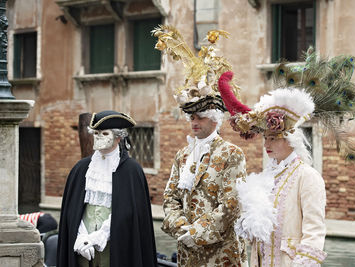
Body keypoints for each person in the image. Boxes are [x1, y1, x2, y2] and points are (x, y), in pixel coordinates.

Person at [218, 49, 355, 266]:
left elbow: (314, 233)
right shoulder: (267, 178)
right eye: (265, 138)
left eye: (273, 138)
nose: (266, 144)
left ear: (291, 140)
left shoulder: (308, 177)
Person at [153, 25, 248, 266]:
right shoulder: (183, 155)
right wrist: (182, 229)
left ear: (215, 118)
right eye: (192, 117)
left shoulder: (231, 154)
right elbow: (170, 197)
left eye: (200, 116)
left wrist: (198, 234)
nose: (194, 122)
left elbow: (232, 204)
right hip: (187, 250)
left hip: (222, 252)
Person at [57, 110, 157, 267]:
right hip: (82, 248)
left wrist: (98, 237)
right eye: (96, 133)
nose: (98, 137)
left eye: (104, 133)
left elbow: (129, 213)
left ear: (118, 137)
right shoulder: (81, 168)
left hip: (116, 248)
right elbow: (72, 210)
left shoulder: (131, 171)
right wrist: (81, 236)